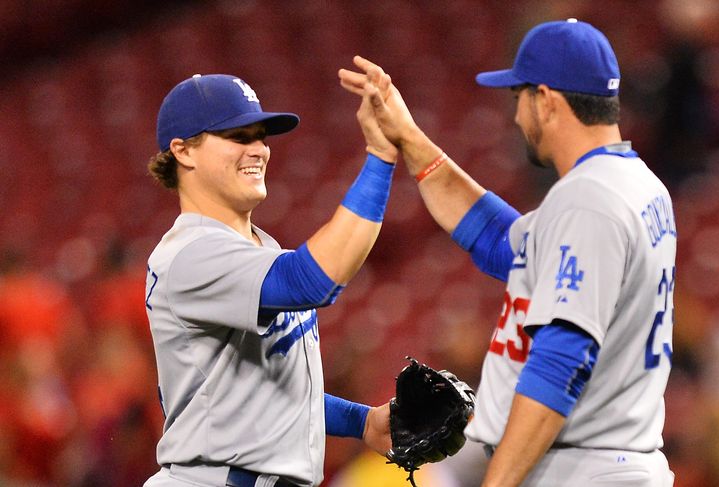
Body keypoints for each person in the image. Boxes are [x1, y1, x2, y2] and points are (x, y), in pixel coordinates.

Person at [339, 19, 676, 487]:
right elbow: (502, 241)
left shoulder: (590, 201)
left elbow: (560, 363)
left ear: (546, 99)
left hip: (584, 469)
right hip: (611, 462)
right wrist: (410, 139)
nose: (516, 116)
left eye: (518, 98)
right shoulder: (635, 185)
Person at [142, 73, 395, 487]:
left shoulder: (259, 249)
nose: (259, 149)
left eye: (262, 137)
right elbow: (313, 282)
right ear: (183, 151)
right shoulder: (190, 254)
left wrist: (362, 422)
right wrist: (381, 157)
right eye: (239, 136)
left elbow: (266, 392)